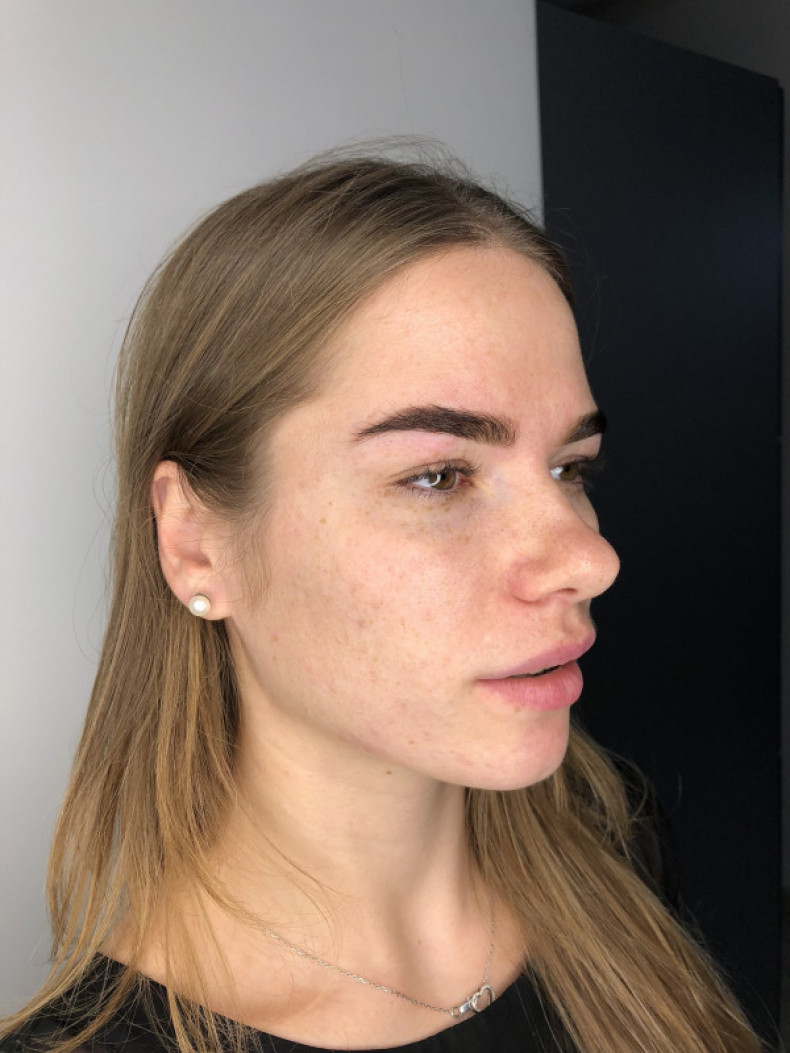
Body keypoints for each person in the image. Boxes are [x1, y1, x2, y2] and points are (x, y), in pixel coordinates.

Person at [0, 151, 764, 1053]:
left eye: (571, 468)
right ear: (196, 541)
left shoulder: (616, 850)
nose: (590, 560)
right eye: (438, 476)